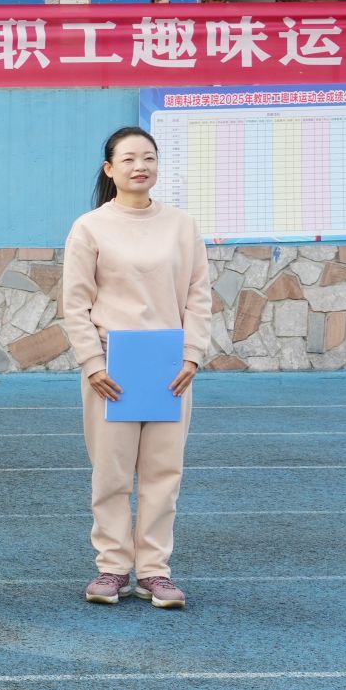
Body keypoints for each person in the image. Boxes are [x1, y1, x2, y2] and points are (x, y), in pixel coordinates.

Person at [60, 127, 212, 609]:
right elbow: (75, 303)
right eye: (128, 159)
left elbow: (199, 296)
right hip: (112, 368)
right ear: (110, 169)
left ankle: (154, 571)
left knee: (164, 473)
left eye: (148, 157)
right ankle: (112, 567)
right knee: (112, 473)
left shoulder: (182, 226)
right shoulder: (90, 227)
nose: (139, 166)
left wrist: (192, 355)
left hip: (170, 369)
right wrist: (92, 363)